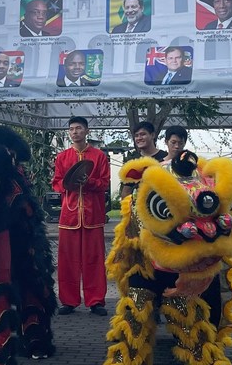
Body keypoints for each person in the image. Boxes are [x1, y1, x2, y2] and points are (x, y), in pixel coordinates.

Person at [52, 116, 110, 316]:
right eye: (71, 129)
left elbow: (104, 183)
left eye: (78, 128)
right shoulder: (62, 157)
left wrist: (89, 182)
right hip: (69, 216)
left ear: (87, 131)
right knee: (67, 260)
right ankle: (68, 301)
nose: (75, 132)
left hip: (93, 216)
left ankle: (96, 301)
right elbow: (57, 182)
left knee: (94, 259)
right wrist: (69, 184)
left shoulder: (99, 156)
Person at [119, 121, 164, 199]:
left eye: (143, 134)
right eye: (136, 135)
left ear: (153, 135)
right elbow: (126, 191)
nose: (139, 138)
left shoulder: (165, 157)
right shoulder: (133, 162)